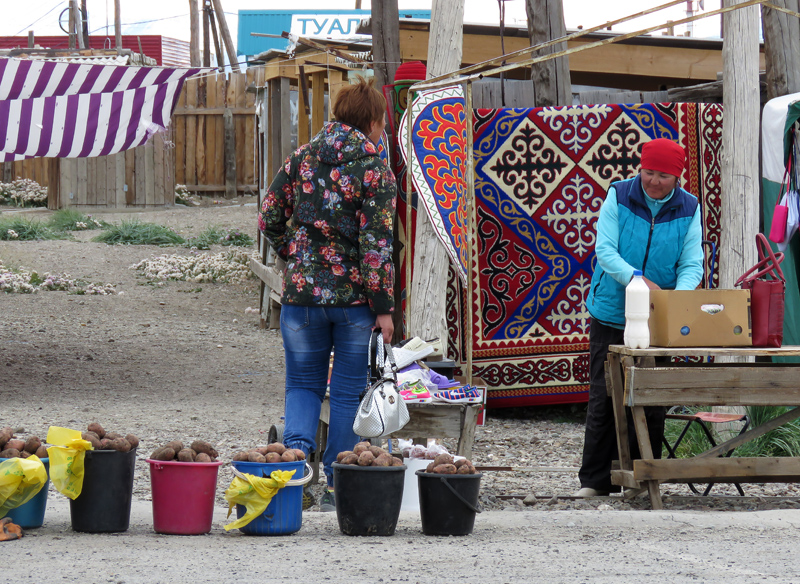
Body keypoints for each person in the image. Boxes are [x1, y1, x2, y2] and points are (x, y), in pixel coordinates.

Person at [259, 77, 396, 511]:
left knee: (301, 386)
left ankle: (290, 478)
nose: (382, 133)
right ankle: (340, 485)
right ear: (372, 122)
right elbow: (376, 245)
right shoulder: (375, 168)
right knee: (347, 391)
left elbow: (268, 217)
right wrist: (385, 308)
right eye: (382, 124)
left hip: (300, 299)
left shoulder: (301, 156)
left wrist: (294, 256)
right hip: (354, 304)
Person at [575, 137, 704, 497]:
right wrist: (636, 279)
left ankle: (642, 477)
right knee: (604, 394)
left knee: (651, 397)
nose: (653, 181)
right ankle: (595, 481)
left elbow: (692, 264)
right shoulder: (619, 195)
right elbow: (605, 250)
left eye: (662, 175)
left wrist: (675, 302)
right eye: (648, 172)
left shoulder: (689, 208)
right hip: (612, 310)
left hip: (656, 316)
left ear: (676, 177)